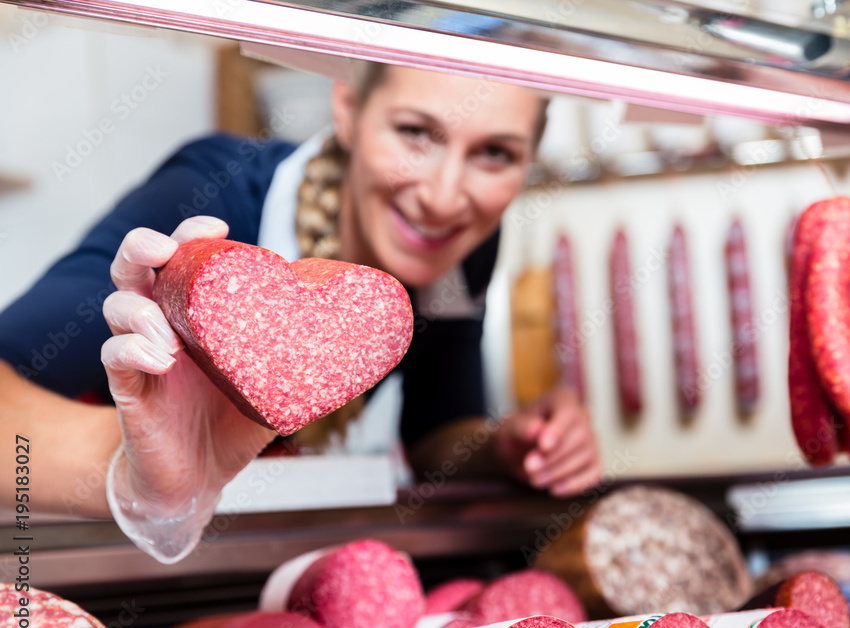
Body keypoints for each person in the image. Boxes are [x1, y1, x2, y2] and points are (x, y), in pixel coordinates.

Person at [0, 61, 602, 562]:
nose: (444, 196)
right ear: (347, 107)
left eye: (495, 153)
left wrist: (512, 446)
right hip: (94, 558)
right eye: (416, 132)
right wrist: (134, 474)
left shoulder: (457, 250)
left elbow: (435, 433)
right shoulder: (216, 191)